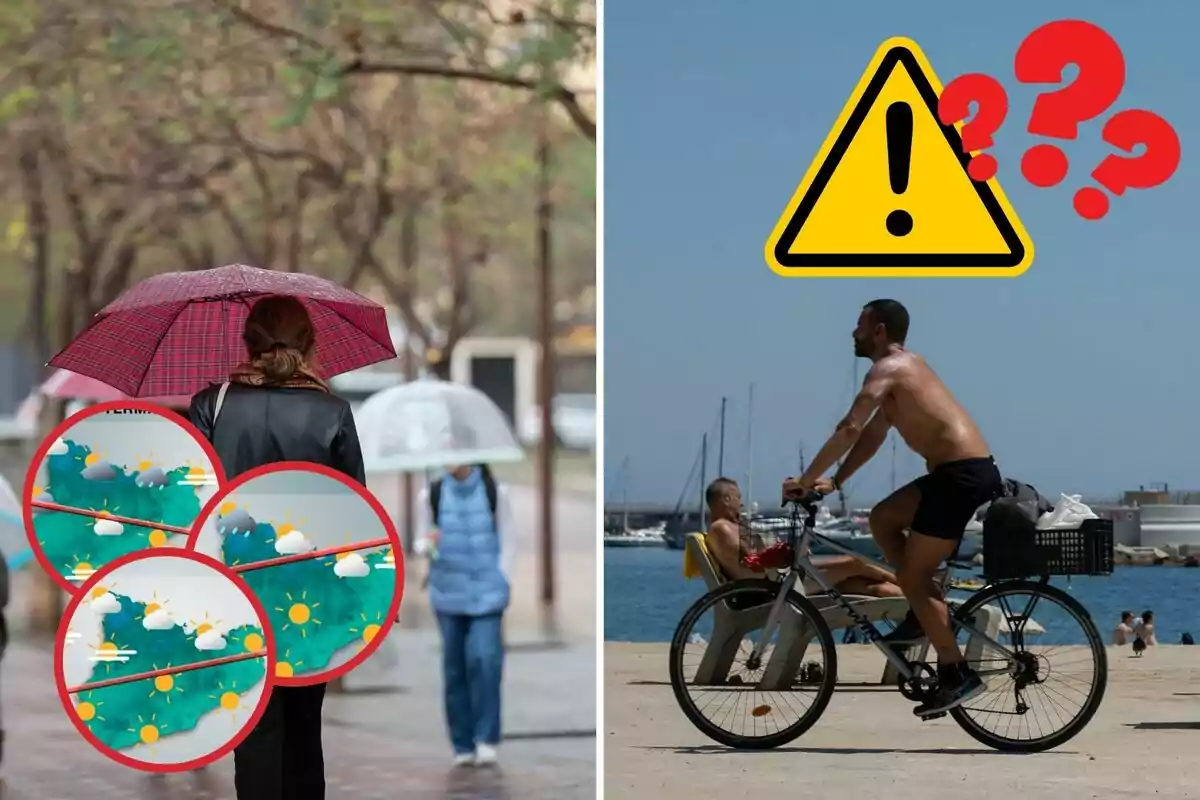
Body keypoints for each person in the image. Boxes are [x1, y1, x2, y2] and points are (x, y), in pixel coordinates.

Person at [781, 299, 1004, 717]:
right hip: (954, 474)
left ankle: (956, 673)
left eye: (859, 325)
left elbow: (849, 427)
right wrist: (836, 481)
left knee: (915, 575)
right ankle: (922, 608)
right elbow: (872, 435)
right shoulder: (904, 372)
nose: (852, 333)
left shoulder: (890, 368)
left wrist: (805, 480)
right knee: (883, 519)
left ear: (879, 330)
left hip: (962, 476)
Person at [190, 295, 365, 800]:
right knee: (305, 726)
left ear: (247, 344)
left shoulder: (212, 404)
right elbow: (356, 513)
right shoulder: (332, 410)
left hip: (235, 589)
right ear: (311, 343)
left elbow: (195, 504)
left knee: (255, 727)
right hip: (310, 593)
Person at [416, 463, 515, 768]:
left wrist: (504, 577)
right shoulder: (430, 494)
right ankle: (462, 743)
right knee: (454, 668)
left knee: (485, 660)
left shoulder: (495, 491)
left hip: (488, 594)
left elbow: (509, 540)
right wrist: (427, 546)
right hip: (447, 594)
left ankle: (486, 737)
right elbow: (421, 542)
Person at [704, 477, 902, 597]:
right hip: (776, 586)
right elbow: (751, 564)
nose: (740, 503)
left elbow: (754, 556)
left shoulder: (729, 527)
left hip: (779, 581)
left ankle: (913, 602)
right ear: (726, 498)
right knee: (856, 562)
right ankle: (914, 586)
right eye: (737, 498)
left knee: (863, 585)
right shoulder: (722, 528)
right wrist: (785, 554)